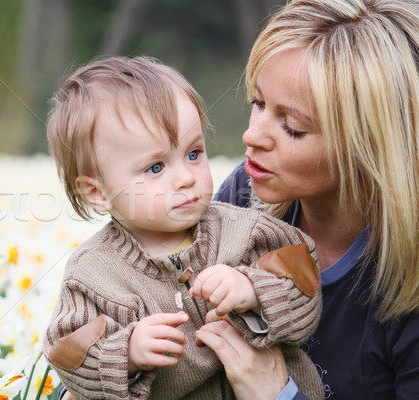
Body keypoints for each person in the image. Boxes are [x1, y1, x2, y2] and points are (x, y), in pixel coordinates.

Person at [43, 55, 324, 399]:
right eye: (156, 167)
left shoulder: (246, 230)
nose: (186, 178)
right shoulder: (93, 275)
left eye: (193, 154)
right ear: (98, 193)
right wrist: (126, 352)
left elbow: (306, 279)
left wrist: (253, 289)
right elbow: (66, 352)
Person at [195, 0, 419, 399]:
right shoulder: (242, 195)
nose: (252, 136)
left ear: (371, 146)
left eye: (293, 127)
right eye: (258, 104)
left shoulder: (407, 286)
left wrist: (277, 393)